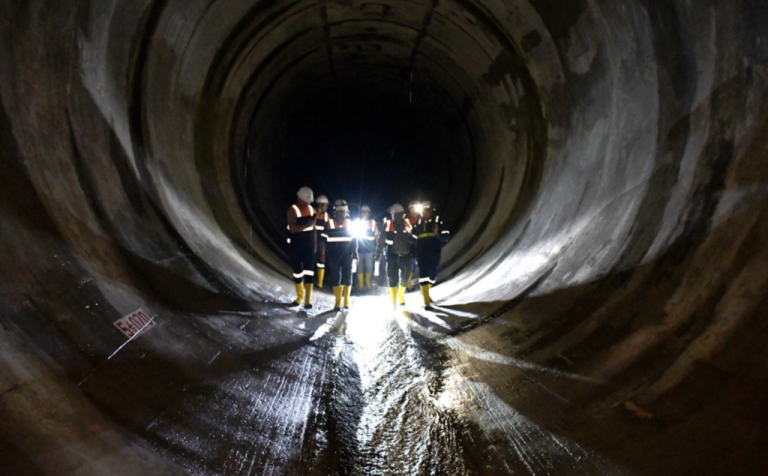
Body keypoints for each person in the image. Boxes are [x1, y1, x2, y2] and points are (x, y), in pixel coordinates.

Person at [411, 201, 450, 310]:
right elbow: (412, 240)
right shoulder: (418, 223)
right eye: (423, 210)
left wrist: (438, 234)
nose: (425, 212)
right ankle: (426, 302)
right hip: (421, 252)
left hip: (434, 252)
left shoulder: (438, 221)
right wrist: (409, 233)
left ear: (431, 210)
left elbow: (446, 237)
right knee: (423, 275)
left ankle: (425, 292)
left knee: (433, 275)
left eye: (427, 209)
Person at [376, 203, 415, 308]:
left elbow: (413, 238)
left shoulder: (407, 223)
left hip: (406, 254)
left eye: (400, 213)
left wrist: (415, 252)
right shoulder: (388, 224)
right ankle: (393, 303)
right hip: (392, 255)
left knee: (405, 278)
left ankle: (400, 294)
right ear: (392, 215)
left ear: (403, 214)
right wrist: (378, 253)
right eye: (396, 214)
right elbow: (381, 239)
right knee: (392, 278)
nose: (398, 216)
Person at [321, 199, 358, 311]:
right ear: (335, 211)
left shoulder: (350, 223)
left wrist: (356, 253)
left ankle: (346, 301)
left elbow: (354, 240)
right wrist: (322, 254)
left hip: (347, 255)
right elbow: (323, 241)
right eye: (340, 211)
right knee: (336, 278)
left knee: (348, 277)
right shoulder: (329, 223)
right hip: (333, 255)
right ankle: (337, 303)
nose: (343, 213)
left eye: (344, 210)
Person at [287, 186, 317, 309]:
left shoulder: (312, 210)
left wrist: (315, 244)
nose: (307, 204)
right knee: (298, 272)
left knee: (309, 271)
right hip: (296, 245)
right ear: (299, 198)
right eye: (305, 201)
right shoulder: (292, 210)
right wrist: (308, 224)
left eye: (309, 202)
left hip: (309, 245)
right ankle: (300, 297)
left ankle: (308, 301)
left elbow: (314, 229)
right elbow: (293, 229)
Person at [354, 205, 377, 292]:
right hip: (359, 249)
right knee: (359, 267)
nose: (364, 213)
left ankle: (368, 283)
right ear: (360, 213)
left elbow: (376, 235)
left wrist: (378, 248)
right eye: (363, 212)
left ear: (369, 213)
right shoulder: (357, 222)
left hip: (369, 249)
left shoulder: (373, 223)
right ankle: (360, 284)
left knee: (369, 266)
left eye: (366, 212)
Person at [313, 195, 330, 288]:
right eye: (325, 205)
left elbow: (330, 228)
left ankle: (320, 283)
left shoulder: (327, 216)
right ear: (320, 205)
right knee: (310, 258)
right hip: (311, 238)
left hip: (322, 240)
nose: (327, 207)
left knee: (322, 259)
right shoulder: (312, 212)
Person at [406, 201, 422, 291]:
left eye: (414, 208)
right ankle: (408, 284)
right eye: (411, 208)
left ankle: (424, 283)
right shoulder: (407, 219)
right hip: (411, 244)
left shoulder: (420, 218)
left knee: (420, 264)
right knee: (412, 264)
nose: (412, 210)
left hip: (420, 242)